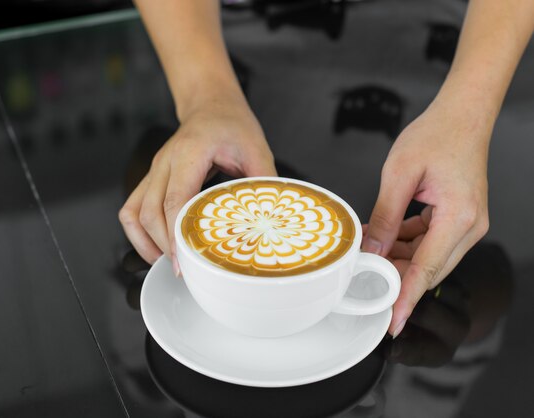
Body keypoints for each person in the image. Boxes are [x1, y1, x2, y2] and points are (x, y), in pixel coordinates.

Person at [119, 0, 534, 337]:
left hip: (458, 60)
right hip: (221, 53)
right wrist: (205, 95)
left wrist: (469, 111)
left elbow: (494, 293)